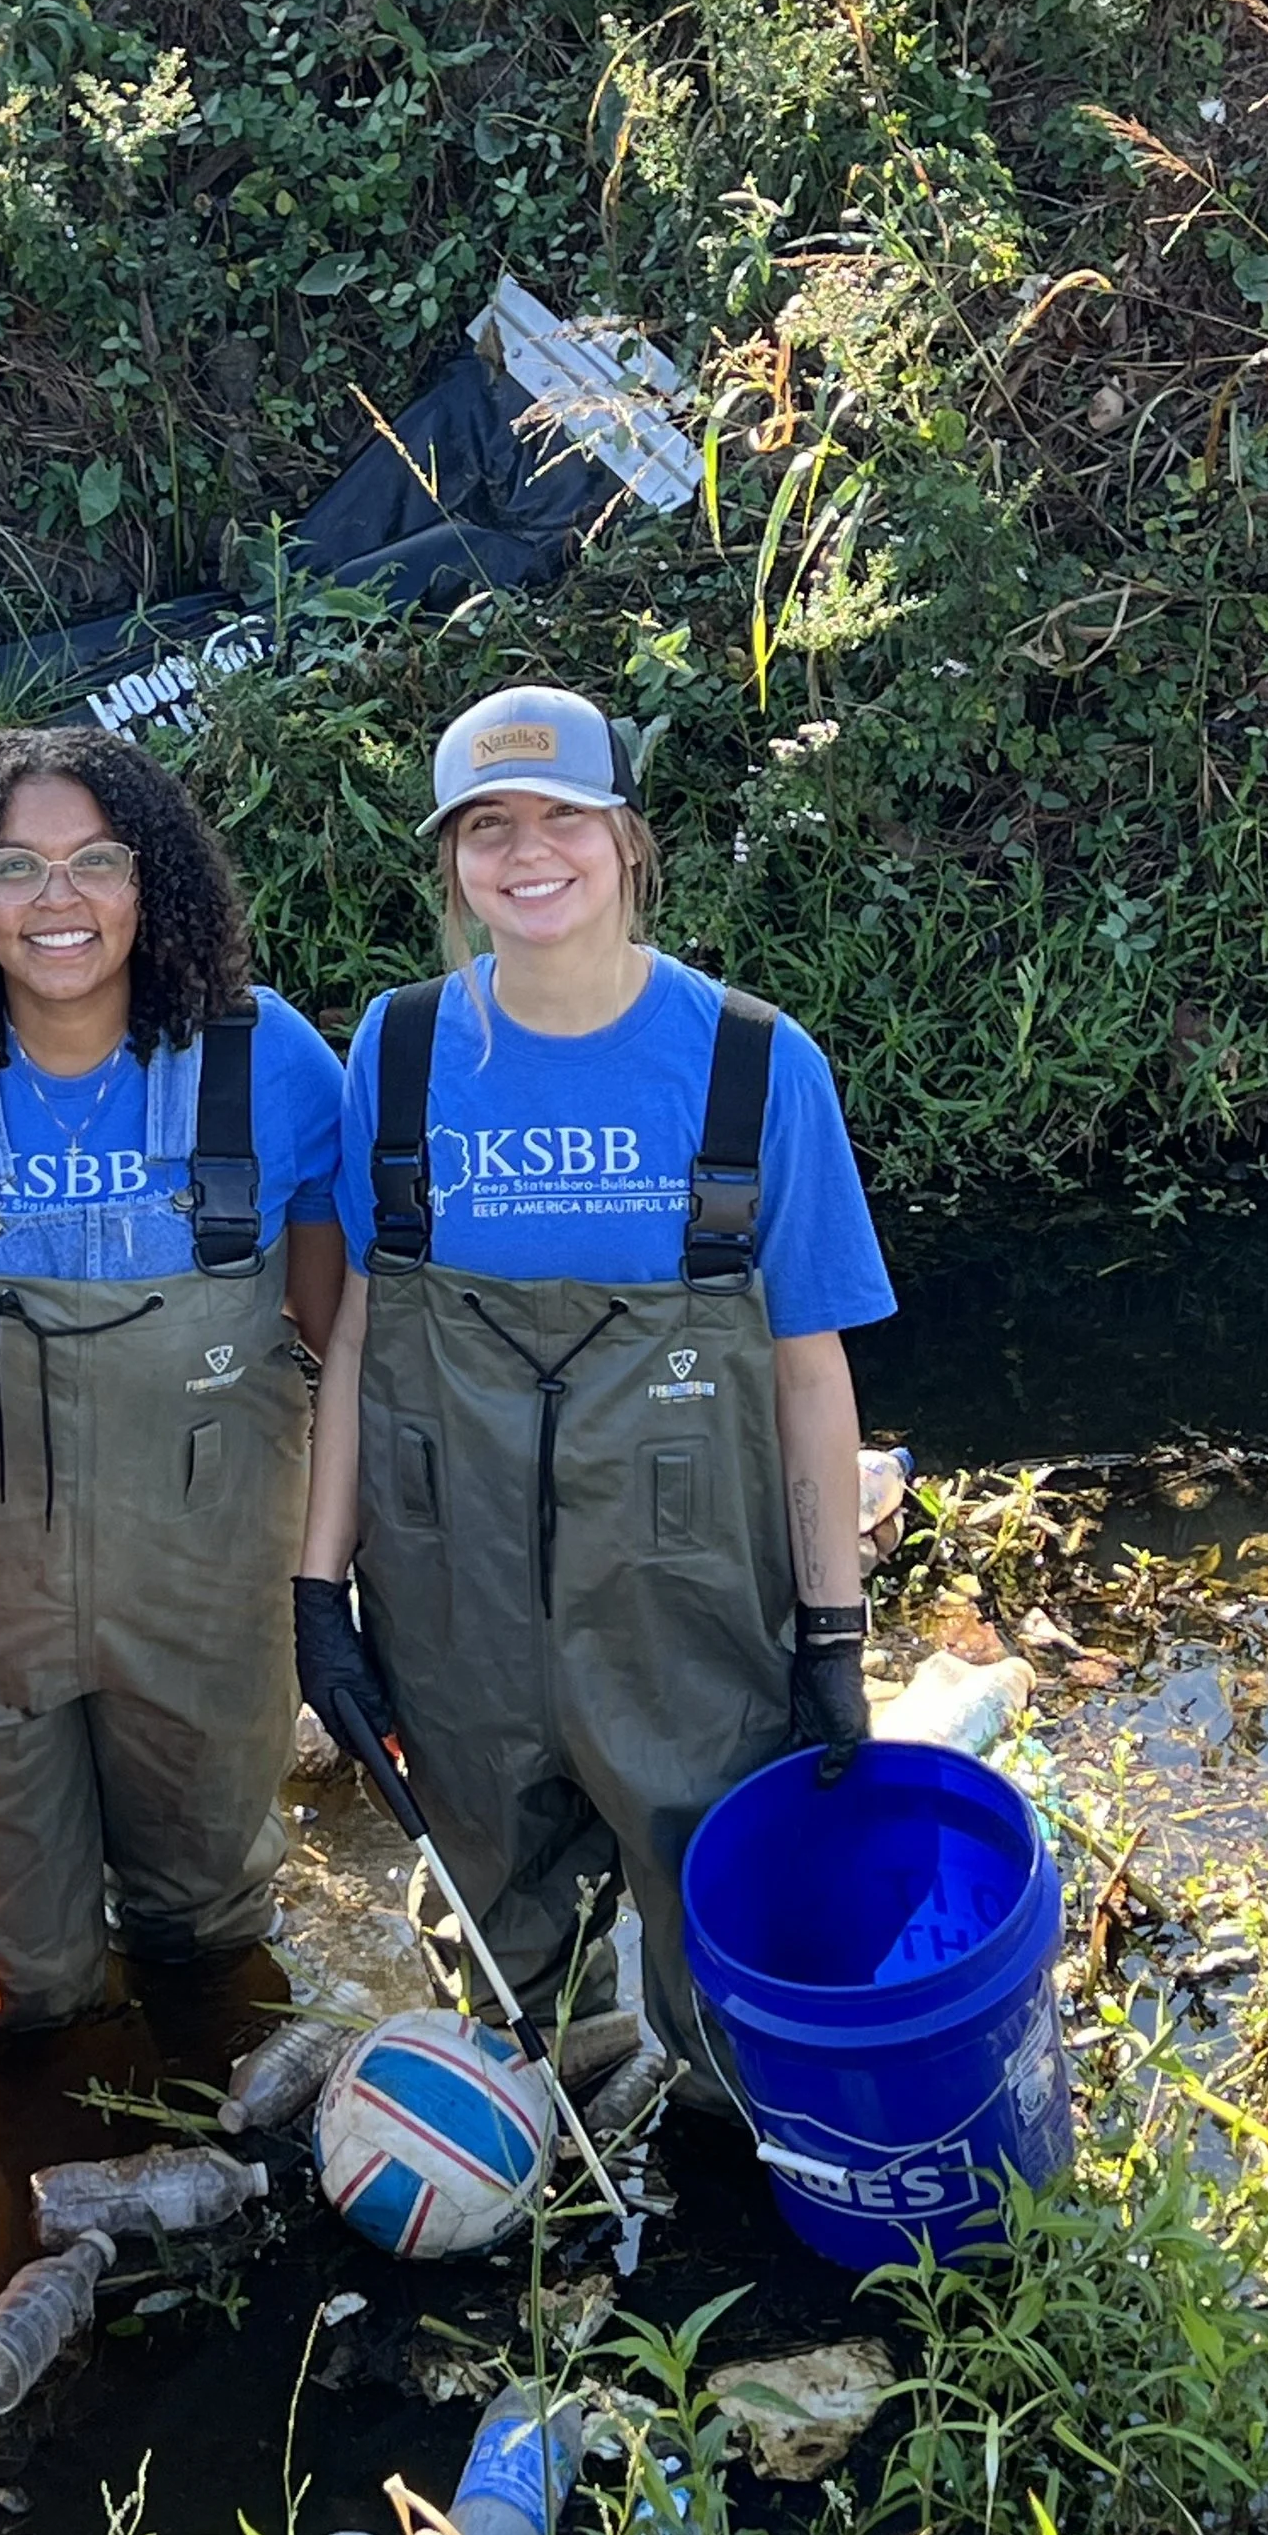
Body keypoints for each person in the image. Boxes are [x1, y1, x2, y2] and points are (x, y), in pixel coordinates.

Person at [293, 684, 896, 2098]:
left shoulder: (758, 1064)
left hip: (691, 1609)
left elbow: (812, 1376)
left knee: (735, 1966)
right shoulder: (398, 1048)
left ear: (628, 837)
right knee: (504, 1979)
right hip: (453, 1616)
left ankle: (740, 2184)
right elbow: (363, 1342)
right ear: (452, 860)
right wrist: (320, 1596)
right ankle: (534, 2179)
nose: (529, 854)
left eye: (563, 815)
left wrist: (833, 1635)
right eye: (488, 826)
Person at [0, 726, 345, 2032]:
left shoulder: (269, 1059)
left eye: (94, 862)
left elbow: (346, 1345)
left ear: (149, 881)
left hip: (208, 1600)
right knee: (21, 1992)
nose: (59, 902)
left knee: (210, 1938)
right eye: (16, 869)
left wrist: (345, 1579)